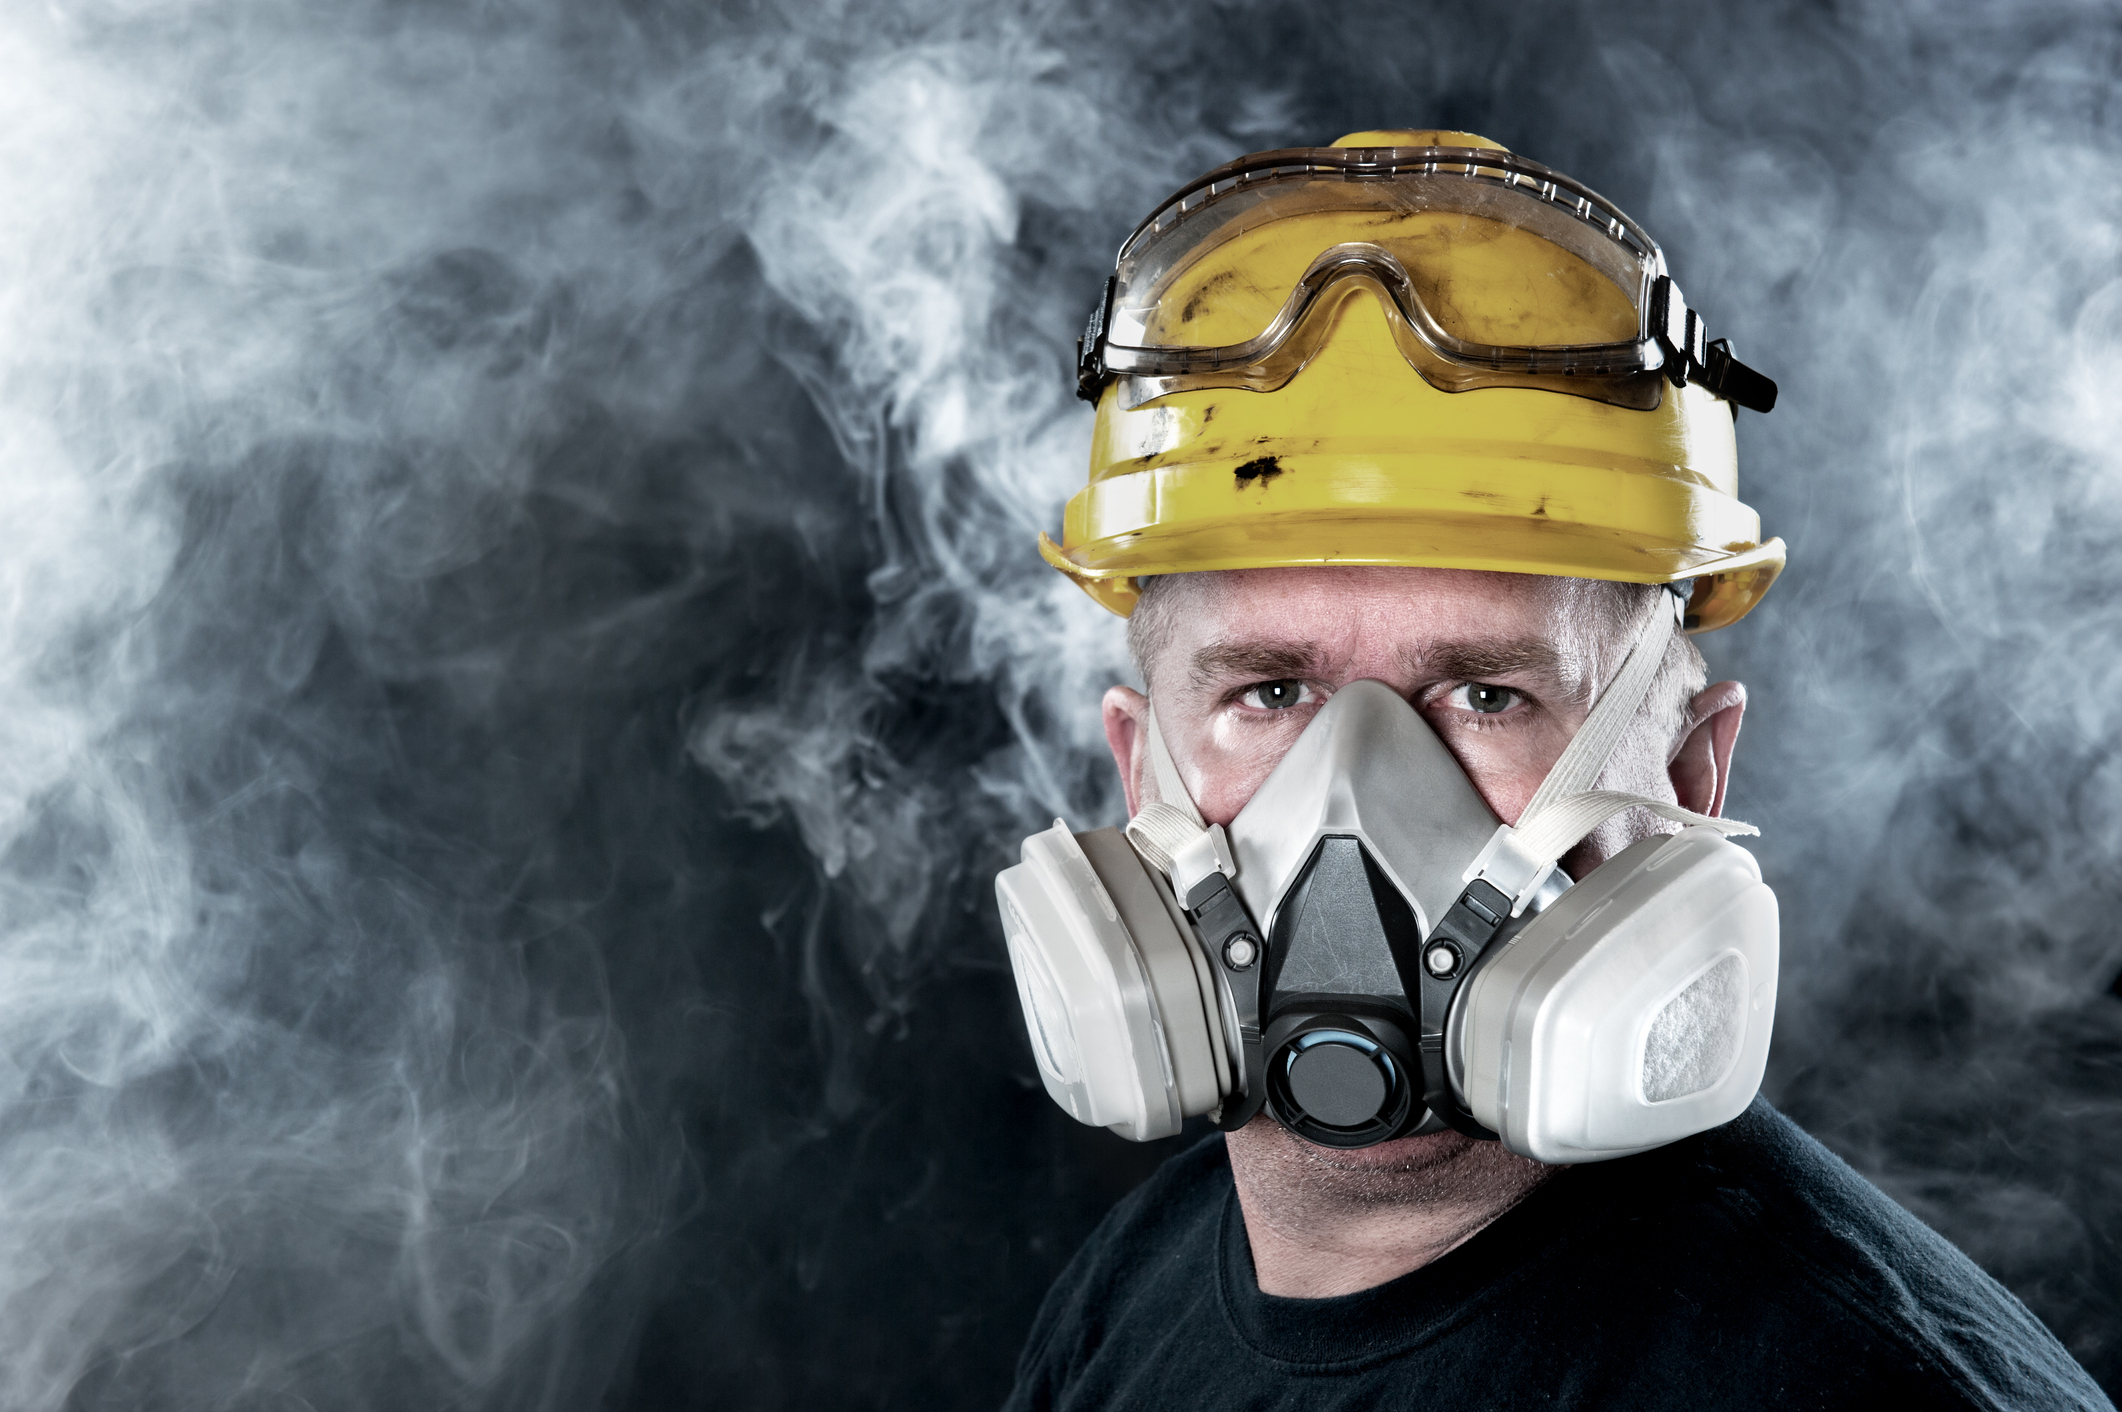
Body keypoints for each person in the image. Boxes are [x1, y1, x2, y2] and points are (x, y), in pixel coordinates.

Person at [997, 131, 2112, 1409]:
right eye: (1272, 692)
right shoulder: (1133, 1293)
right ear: (1140, 766)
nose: (1349, 789)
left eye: (1485, 693)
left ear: (1691, 774)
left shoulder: (1861, 1384)